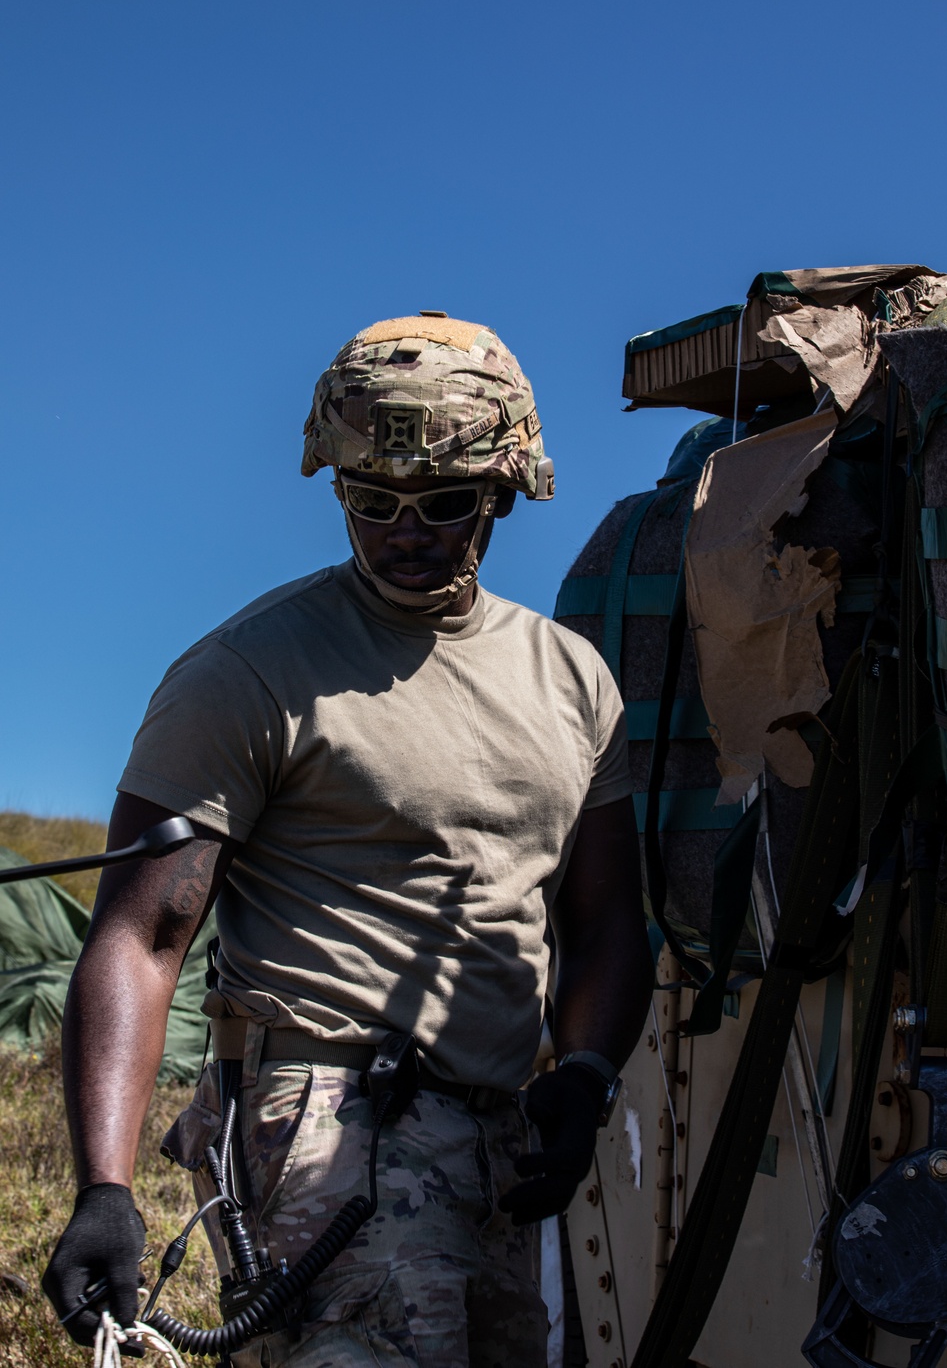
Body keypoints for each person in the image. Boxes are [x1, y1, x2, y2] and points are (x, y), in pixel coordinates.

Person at [43, 312, 652, 1367]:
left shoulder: (573, 681)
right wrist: (105, 1187)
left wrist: (588, 1074)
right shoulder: (250, 670)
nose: (403, 530)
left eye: (443, 504)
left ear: (507, 488)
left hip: (501, 1137)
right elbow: (141, 939)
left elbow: (603, 920)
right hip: (324, 1129)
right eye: (369, 503)